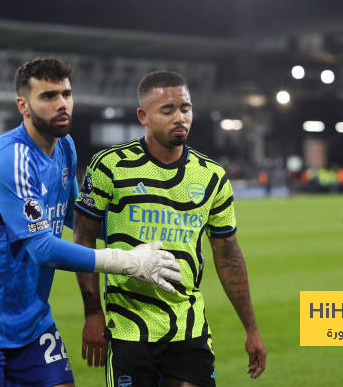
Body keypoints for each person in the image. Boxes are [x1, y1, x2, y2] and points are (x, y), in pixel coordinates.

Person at [0, 58, 181, 387]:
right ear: (23, 105)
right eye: (48, 96)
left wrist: (141, 233)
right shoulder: (11, 157)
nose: (62, 104)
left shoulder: (65, 147)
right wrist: (128, 261)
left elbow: (73, 217)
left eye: (66, 94)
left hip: (31, 318)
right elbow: (42, 249)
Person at [73, 71, 267, 386]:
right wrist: (92, 313)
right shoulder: (110, 166)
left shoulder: (212, 176)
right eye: (168, 110)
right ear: (143, 116)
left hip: (189, 327)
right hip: (128, 327)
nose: (180, 117)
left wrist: (252, 328)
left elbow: (228, 255)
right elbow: (83, 237)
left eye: (185, 108)